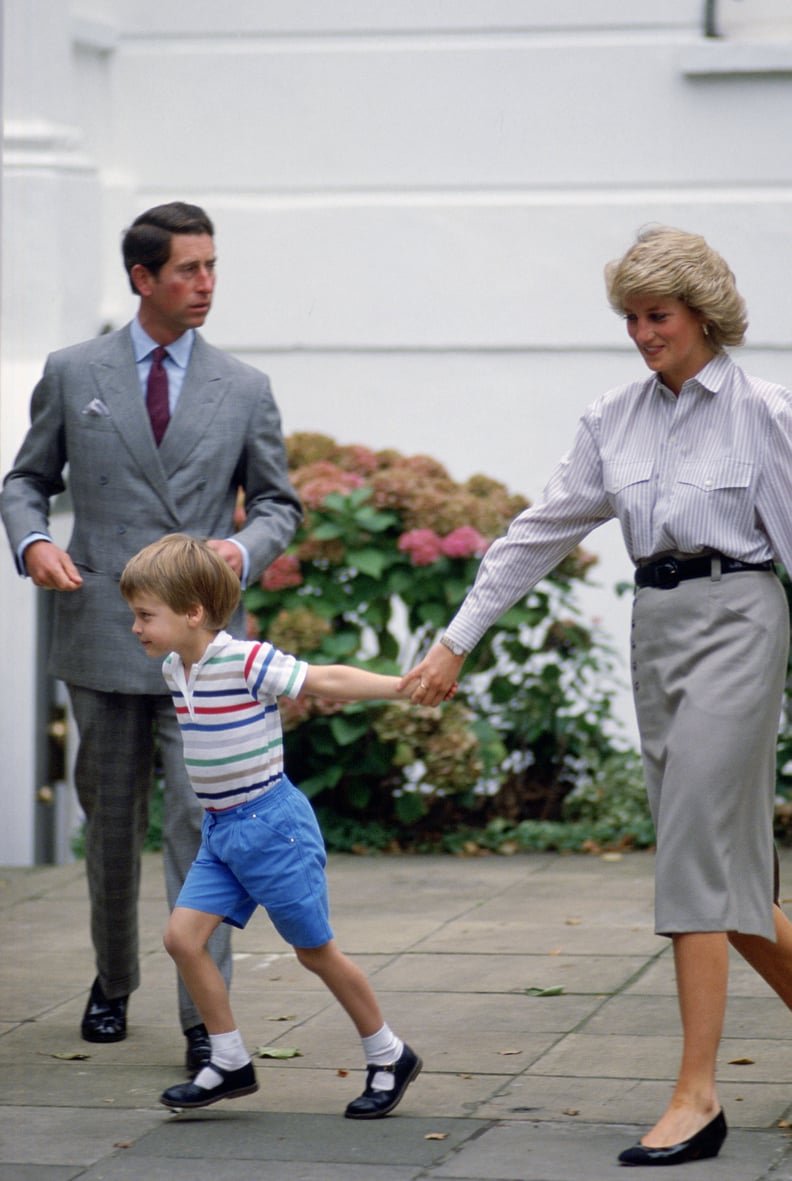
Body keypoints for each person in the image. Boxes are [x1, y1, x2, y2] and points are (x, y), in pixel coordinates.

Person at [401, 225, 792, 1167]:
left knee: (693, 861)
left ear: (703, 312)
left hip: (742, 618)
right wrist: (456, 638)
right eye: (629, 317)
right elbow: (538, 534)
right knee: (724, 878)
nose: (641, 333)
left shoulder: (766, 413)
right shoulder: (609, 417)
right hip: (654, 629)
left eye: (656, 315)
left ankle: (697, 1097)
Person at [1, 203, 302, 1074]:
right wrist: (36, 542)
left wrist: (239, 552)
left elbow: (279, 503)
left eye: (212, 266)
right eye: (187, 270)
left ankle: (208, 1020)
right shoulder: (72, 371)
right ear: (142, 278)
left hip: (207, 650)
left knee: (207, 829)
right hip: (101, 631)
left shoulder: (244, 386)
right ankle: (110, 979)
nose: (206, 284)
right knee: (110, 822)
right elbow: (26, 479)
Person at [119, 532, 427, 1117]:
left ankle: (389, 1054)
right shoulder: (173, 669)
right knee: (181, 939)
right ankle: (229, 1059)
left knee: (316, 953)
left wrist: (400, 688)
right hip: (221, 833)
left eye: (144, 615)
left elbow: (323, 680)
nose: (135, 627)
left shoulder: (246, 660)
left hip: (272, 827)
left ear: (194, 612)